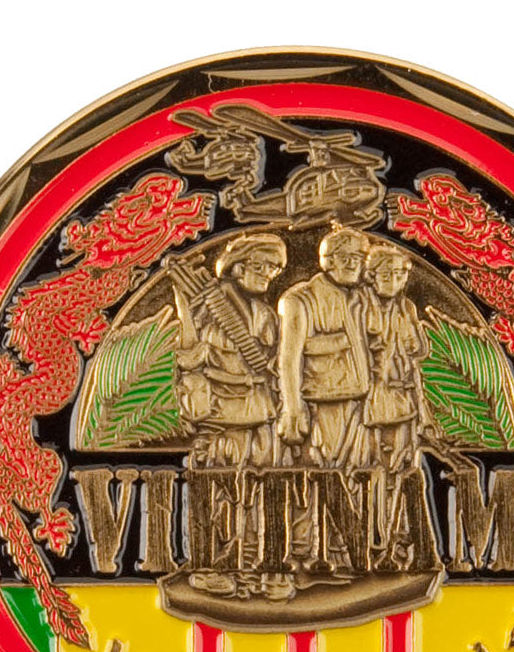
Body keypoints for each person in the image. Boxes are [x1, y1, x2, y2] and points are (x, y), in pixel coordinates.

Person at [172, 233, 286, 592]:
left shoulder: (265, 313)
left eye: (274, 268)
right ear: (237, 267)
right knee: (217, 491)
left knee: (260, 492)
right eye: (260, 265)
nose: (268, 273)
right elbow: (190, 356)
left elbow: (274, 360)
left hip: (262, 414)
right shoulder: (208, 306)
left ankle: (252, 565)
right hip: (221, 415)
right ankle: (211, 568)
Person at [277, 227, 372, 571]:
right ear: (327, 261)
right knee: (314, 476)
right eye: (346, 258)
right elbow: (288, 358)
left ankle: (339, 550)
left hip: (357, 403)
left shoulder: (360, 298)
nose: (355, 264)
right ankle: (302, 550)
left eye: (359, 258)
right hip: (319, 404)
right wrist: (292, 408)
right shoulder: (299, 300)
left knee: (350, 477)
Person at [363, 244, 430, 568]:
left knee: (404, 471)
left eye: (400, 274)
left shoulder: (406, 307)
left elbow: (418, 350)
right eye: (386, 274)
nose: (394, 280)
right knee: (377, 472)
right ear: (371, 276)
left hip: (405, 402)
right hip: (372, 403)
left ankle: (400, 539)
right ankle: (374, 541)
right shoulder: (361, 306)